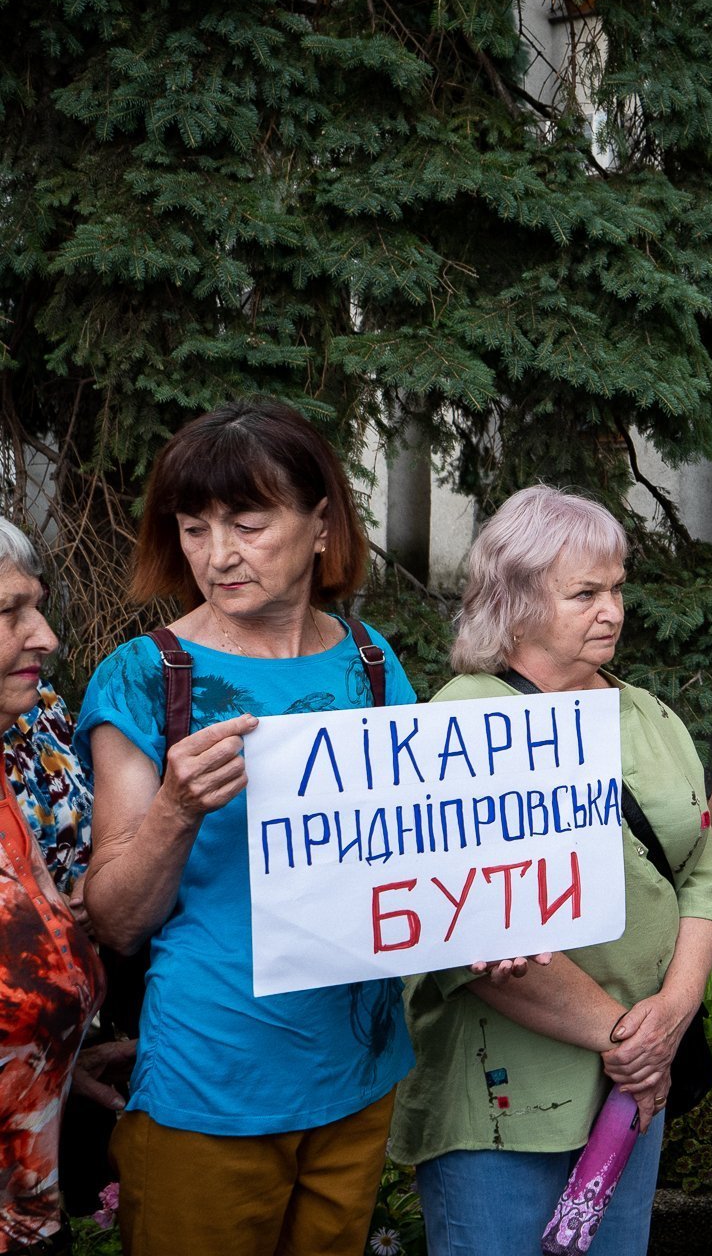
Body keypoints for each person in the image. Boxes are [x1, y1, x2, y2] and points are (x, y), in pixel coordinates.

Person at [77, 402, 416, 1256]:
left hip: (358, 1072)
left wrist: (492, 917)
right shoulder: (147, 676)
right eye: (194, 529)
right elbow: (113, 917)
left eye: (248, 523)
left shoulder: (372, 663)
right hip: (213, 1078)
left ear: (321, 523)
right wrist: (176, 811)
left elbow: (418, 851)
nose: (217, 555)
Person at [389, 486, 712, 1254]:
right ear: (514, 599)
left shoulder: (646, 713)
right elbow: (458, 925)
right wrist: (622, 1037)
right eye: (584, 593)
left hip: (636, 1087)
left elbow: (704, 872)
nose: (611, 609)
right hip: (507, 1097)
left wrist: (671, 1016)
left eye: (616, 588)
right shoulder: (457, 725)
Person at [1, 517, 107, 1253]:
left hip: (32, 1211)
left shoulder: (27, 742)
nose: (45, 636)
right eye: (10, 613)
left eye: (36, 606)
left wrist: (60, 1057)